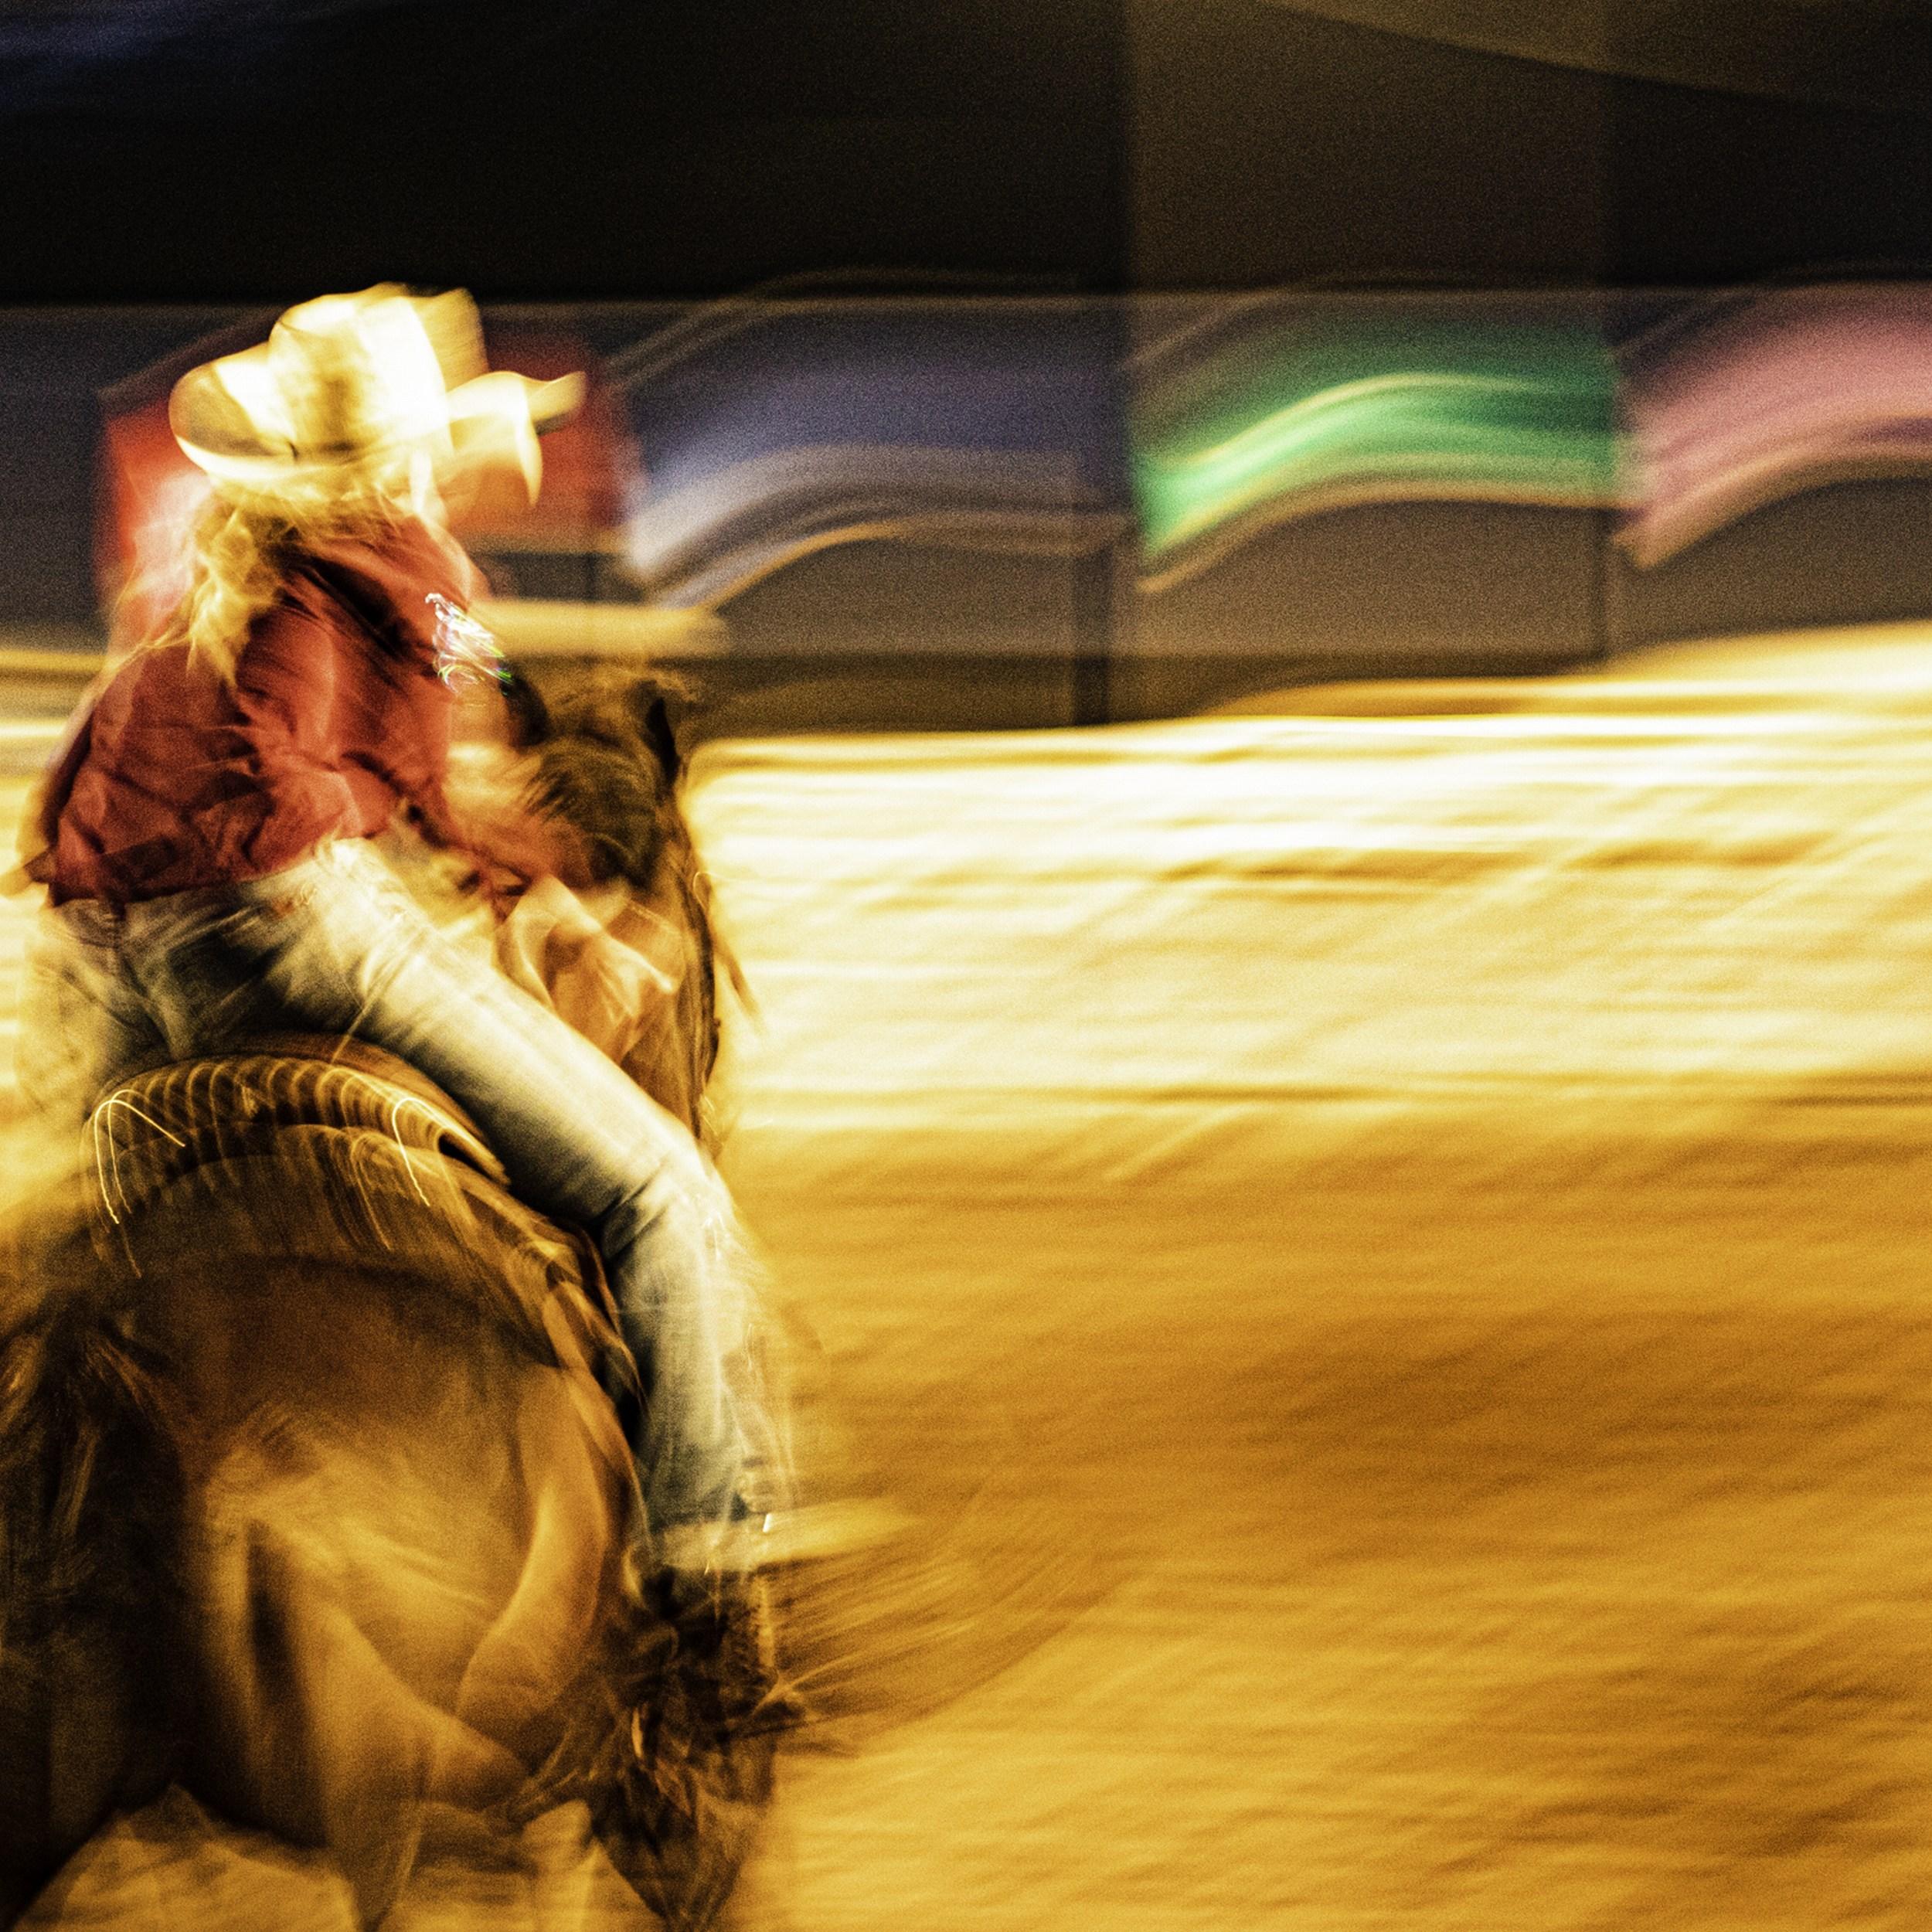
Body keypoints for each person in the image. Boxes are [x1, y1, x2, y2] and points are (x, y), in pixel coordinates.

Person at [12, 287, 759, 1584]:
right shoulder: (420, 575)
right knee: (662, 1195)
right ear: (416, 458)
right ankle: (710, 1545)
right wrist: (545, 866)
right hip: (292, 920)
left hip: (116, 955)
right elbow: (470, 724)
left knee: (82, 1253)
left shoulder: (209, 580)